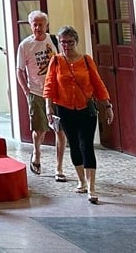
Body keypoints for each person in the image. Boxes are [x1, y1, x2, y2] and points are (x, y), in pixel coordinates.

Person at [44, 26, 114, 204]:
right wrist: (49, 108)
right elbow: (50, 85)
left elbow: (97, 83)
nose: (66, 45)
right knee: (74, 145)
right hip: (65, 109)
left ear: (76, 42)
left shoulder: (86, 60)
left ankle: (92, 187)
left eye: (70, 42)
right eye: (62, 42)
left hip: (86, 109)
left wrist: (107, 105)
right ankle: (81, 180)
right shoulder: (56, 61)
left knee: (86, 145)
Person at [15, 10, 67, 180]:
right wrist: (26, 91)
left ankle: (59, 168)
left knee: (60, 130)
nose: (37, 27)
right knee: (40, 129)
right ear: (30, 26)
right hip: (37, 92)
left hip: (57, 92)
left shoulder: (54, 41)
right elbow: (20, 70)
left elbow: (64, 62)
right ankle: (36, 152)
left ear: (47, 25)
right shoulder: (25, 46)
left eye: (40, 24)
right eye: (34, 24)